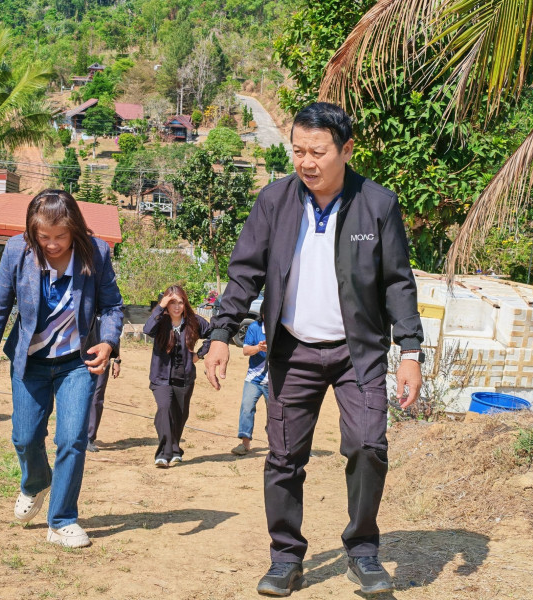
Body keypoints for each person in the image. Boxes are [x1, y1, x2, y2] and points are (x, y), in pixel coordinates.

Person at [203, 102, 424, 596]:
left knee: (368, 445)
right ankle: (286, 558)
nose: (306, 162)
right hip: (292, 351)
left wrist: (410, 351)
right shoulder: (275, 201)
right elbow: (245, 273)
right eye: (298, 151)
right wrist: (220, 334)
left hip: (358, 353)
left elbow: (398, 282)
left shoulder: (377, 204)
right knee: (284, 457)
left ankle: (362, 552)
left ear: (346, 150)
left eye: (318, 152)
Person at [0, 189, 123, 549]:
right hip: (30, 362)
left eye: (61, 236)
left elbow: (113, 306)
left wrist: (109, 342)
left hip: (77, 363)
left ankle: (62, 520)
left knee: (72, 439)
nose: (52, 245)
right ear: (32, 232)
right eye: (44, 237)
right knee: (24, 438)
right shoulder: (16, 251)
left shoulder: (96, 253)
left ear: (75, 230)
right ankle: (36, 482)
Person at [143, 285, 211, 467]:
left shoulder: (193, 321)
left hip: (185, 377)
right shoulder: (160, 320)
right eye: (172, 302)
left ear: (185, 303)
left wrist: (200, 354)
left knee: (180, 415)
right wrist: (160, 306)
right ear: (166, 303)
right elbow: (147, 329)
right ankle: (163, 454)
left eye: (180, 302)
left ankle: (175, 449)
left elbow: (214, 334)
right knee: (164, 408)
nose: (176, 307)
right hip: (161, 377)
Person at [231, 304, 269, 456]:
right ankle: (245, 443)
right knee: (247, 408)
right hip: (253, 378)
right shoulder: (254, 327)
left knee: (275, 413)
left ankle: (275, 443)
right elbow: (246, 350)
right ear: (262, 313)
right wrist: (259, 348)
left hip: (274, 380)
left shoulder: (282, 329)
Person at [86, 352, 122, 453]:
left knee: (96, 398)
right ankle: (72, 434)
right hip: (79, 359)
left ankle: (89, 437)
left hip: (102, 360)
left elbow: (115, 342)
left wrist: (117, 361)